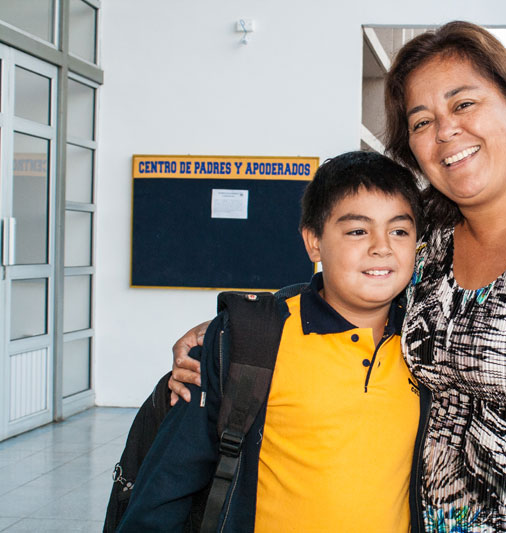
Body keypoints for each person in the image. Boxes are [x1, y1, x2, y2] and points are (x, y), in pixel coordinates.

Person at [172, 21, 506, 532]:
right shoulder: (430, 237)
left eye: (464, 103)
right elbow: (355, 284)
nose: (446, 130)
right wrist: (237, 327)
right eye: (422, 121)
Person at [119, 151, 425, 532]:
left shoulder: (427, 345)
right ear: (314, 242)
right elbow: (165, 489)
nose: (382, 246)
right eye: (357, 231)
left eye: (399, 230)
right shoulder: (253, 340)